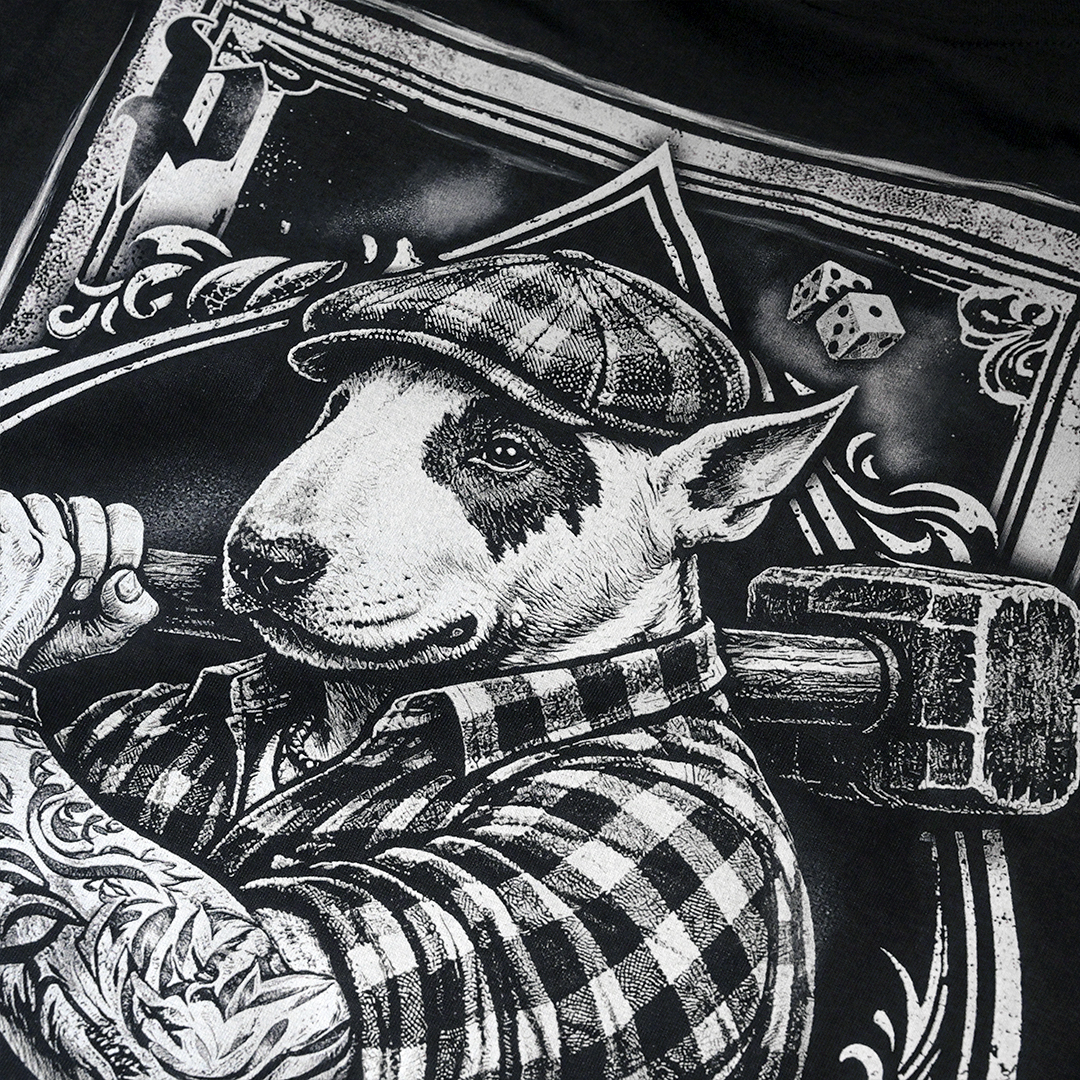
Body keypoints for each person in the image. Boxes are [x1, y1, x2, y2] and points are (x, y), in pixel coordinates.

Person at [0, 252, 830, 1079]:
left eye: (500, 453)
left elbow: (211, 1045)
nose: (274, 528)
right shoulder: (157, 727)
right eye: (345, 413)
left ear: (711, 489)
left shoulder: (677, 831)